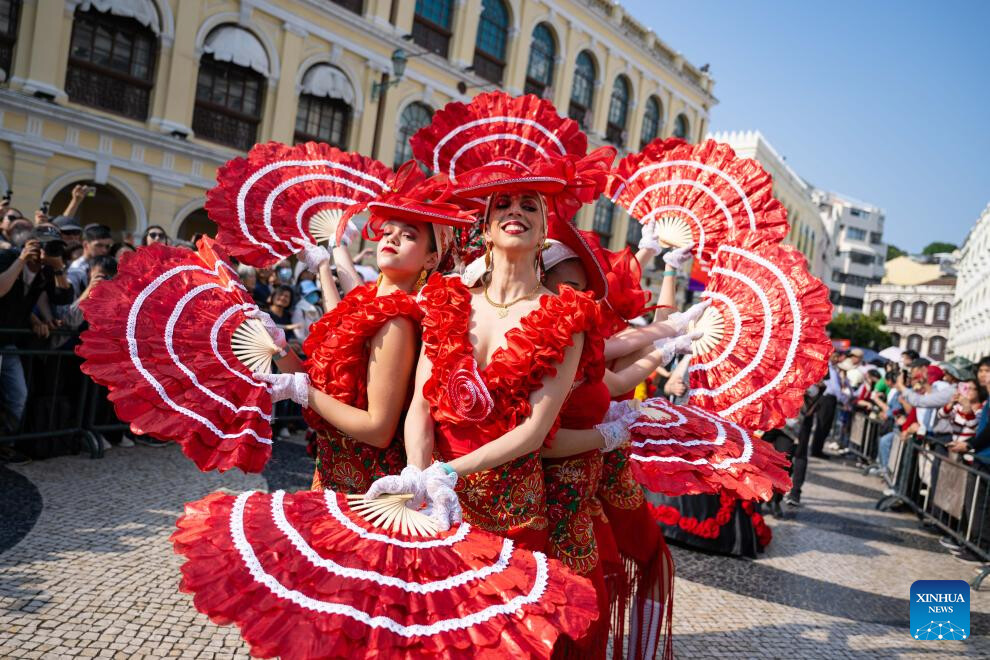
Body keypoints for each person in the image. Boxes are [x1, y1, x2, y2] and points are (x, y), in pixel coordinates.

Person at [256, 162, 475, 494]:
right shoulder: (367, 301)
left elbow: (377, 428)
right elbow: (323, 392)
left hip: (365, 490)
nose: (392, 239)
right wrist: (282, 350)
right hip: (330, 476)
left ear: (431, 260)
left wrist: (300, 390)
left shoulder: (397, 321)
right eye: (388, 232)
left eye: (409, 235)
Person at [0, 224, 74, 456]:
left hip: (9, 342)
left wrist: (59, 267)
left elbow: (63, 298)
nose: (49, 252)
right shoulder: (7, 258)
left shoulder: (47, 270)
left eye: (55, 248)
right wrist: (21, 259)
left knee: (18, 396)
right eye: (46, 246)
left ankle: (5, 442)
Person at [67, 223, 112, 295]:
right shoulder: (76, 269)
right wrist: (89, 289)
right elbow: (70, 305)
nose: (104, 250)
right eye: (99, 245)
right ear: (85, 245)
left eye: (107, 246)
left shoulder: (110, 263)